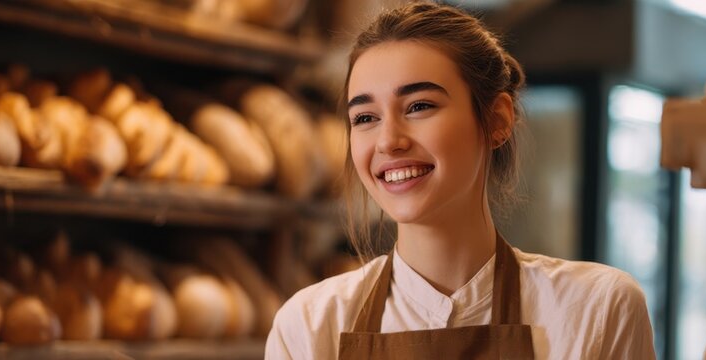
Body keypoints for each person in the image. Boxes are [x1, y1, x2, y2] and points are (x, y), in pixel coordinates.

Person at [266, 2, 656, 359]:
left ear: (497, 120)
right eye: (365, 118)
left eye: (419, 106)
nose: (388, 141)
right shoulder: (309, 327)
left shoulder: (597, 310)